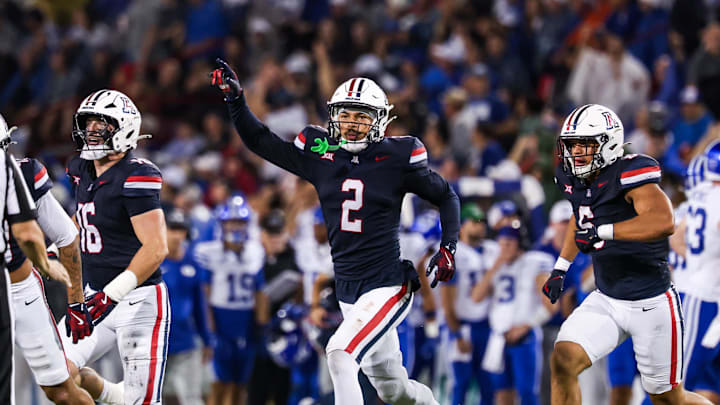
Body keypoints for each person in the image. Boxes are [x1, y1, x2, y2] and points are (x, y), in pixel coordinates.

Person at [212, 59, 460, 405]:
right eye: (346, 114)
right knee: (393, 389)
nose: (352, 124)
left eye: (361, 116)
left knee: (340, 354)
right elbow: (261, 140)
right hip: (347, 287)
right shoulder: (321, 151)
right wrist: (236, 102)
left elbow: (446, 196)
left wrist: (448, 246)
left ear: (380, 120)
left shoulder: (398, 155)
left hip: (387, 283)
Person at [542, 103, 710, 405]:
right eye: (572, 144)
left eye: (585, 144)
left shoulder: (630, 173)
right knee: (563, 358)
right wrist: (561, 267)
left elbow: (663, 221)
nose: (577, 152)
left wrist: (604, 231)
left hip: (651, 302)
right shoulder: (575, 178)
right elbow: (579, 217)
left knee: (669, 399)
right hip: (606, 297)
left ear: (608, 144)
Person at [61, 89, 170, 405]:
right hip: (94, 294)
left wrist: (113, 294)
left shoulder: (137, 175)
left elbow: (156, 247)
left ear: (124, 128)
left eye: (102, 124)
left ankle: (125, 398)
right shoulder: (80, 168)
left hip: (137, 299)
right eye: (88, 123)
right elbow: (84, 217)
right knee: (56, 375)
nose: (92, 131)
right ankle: (114, 396)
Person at [0, 113, 94, 405]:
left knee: (61, 390)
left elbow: (66, 236)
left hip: (20, 290)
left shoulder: (21, 175)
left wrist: (76, 302)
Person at [194, 195, 269, 405]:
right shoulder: (211, 252)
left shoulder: (255, 251)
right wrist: (210, 328)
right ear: (222, 224)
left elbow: (260, 291)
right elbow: (205, 293)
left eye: (240, 222)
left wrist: (261, 325)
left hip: (245, 320)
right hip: (221, 320)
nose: (235, 227)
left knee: (240, 384)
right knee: (219, 383)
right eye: (231, 222)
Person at [473, 225, 554, 405]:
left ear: (520, 243)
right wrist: (494, 267)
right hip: (498, 339)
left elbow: (550, 305)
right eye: (501, 244)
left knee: (527, 393)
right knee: (502, 394)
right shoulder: (496, 266)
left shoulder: (535, 263)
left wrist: (526, 326)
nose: (504, 248)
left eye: (509, 243)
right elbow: (477, 297)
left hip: (525, 338)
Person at [670, 142, 720, 404]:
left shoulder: (701, 195)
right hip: (704, 301)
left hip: (699, 295)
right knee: (680, 385)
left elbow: (676, 239)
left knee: (702, 382)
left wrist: (697, 261)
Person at [442, 203, 497, 405]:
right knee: (460, 384)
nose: (480, 226)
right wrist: (456, 334)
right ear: (462, 225)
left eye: (482, 221)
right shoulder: (454, 254)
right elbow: (447, 301)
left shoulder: (493, 249)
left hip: (487, 326)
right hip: (463, 326)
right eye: (474, 221)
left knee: (488, 384)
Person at [161, 209, 212, 405]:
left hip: (186, 343)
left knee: (192, 399)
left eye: (181, 230)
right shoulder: (152, 262)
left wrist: (207, 339)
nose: (177, 235)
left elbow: (200, 306)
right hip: (157, 344)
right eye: (173, 229)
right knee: (150, 399)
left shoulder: (192, 263)